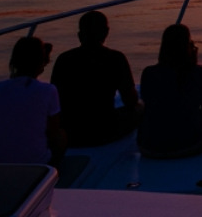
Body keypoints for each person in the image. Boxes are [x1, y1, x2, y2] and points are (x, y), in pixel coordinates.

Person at [51, 11, 141, 146]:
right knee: (139, 109)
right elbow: (130, 100)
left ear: (80, 35)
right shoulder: (116, 58)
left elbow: (55, 101)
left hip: (71, 133)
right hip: (105, 131)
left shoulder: (64, 59)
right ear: (106, 32)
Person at [137, 24, 202, 159]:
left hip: (148, 148)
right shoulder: (199, 73)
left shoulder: (148, 73)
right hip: (190, 146)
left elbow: (147, 101)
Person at [0, 36, 65, 165]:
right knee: (61, 136)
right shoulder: (48, 91)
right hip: (35, 165)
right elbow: (53, 134)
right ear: (41, 62)